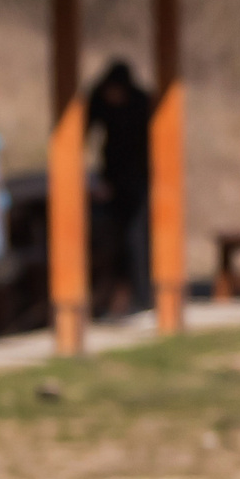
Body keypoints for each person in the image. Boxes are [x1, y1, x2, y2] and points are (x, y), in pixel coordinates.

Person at [87, 60, 155, 314]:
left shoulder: (141, 103)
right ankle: (112, 297)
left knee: (137, 238)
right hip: (111, 180)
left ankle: (142, 296)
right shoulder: (100, 100)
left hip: (139, 180)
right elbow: (81, 127)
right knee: (111, 241)